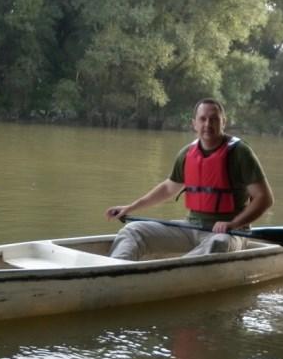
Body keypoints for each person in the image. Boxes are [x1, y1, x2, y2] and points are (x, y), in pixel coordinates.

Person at [104, 98, 273, 260]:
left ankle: (173, 272)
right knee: (132, 230)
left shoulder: (240, 153)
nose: (208, 124)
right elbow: (168, 189)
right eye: (203, 119)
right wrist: (130, 208)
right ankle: (114, 269)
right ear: (194, 124)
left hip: (230, 233)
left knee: (217, 243)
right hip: (191, 227)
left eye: (214, 119)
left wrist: (233, 224)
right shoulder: (187, 153)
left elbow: (264, 198)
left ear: (224, 122)